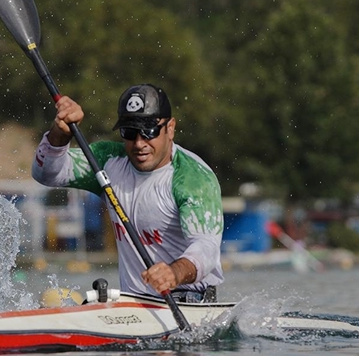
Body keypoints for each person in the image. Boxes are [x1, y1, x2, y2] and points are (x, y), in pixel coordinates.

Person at [32, 83, 224, 302]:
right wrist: (59, 136)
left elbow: (207, 247)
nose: (139, 143)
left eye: (149, 132)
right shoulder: (107, 161)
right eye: (130, 132)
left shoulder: (193, 178)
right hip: (134, 304)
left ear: (170, 128)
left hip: (189, 301)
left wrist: (174, 273)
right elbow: (45, 174)